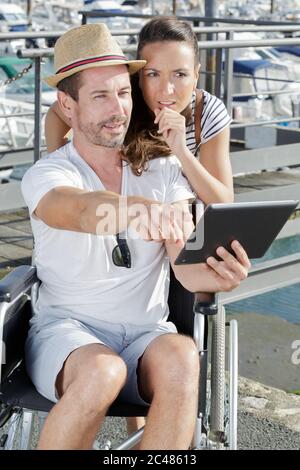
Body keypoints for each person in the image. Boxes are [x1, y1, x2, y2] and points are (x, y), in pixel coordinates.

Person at [22, 23, 250, 450]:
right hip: (69, 332)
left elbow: (187, 264)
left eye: (123, 93)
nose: (118, 109)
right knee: (102, 371)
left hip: (145, 334)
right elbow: (75, 208)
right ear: (67, 106)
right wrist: (137, 210)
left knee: (184, 358)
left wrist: (220, 276)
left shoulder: (164, 171)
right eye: (100, 96)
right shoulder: (51, 173)